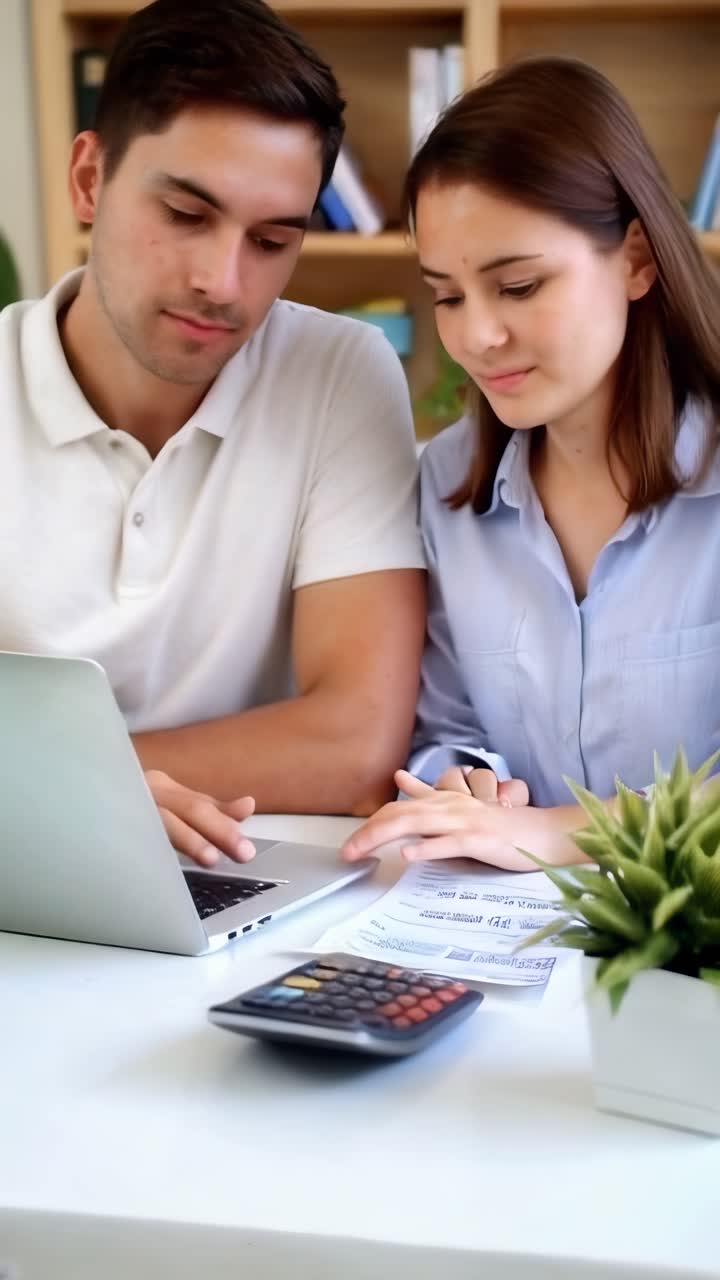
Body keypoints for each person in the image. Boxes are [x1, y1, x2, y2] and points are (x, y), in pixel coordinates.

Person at [0, 0, 426, 866]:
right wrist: (71, 804)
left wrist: (80, 783)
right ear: (89, 179)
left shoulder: (340, 374)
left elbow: (355, 741)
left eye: (272, 240)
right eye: (187, 216)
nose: (223, 283)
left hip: (240, 868)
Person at [341, 55, 720, 872]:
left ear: (637, 261)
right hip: (509, 941)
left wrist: (554, 834)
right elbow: (443, 728)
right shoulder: (446, 487)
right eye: (446, 295)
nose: (477, 336)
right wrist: (475, 792)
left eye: (516, 286)